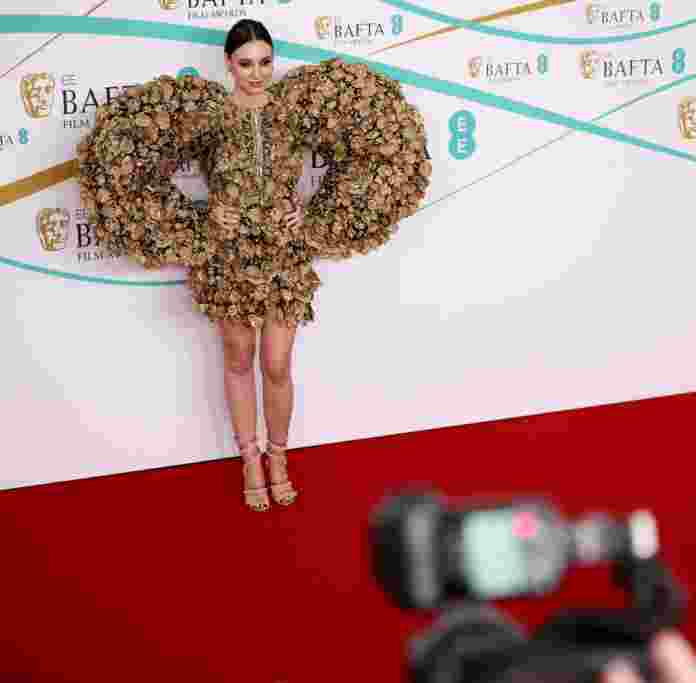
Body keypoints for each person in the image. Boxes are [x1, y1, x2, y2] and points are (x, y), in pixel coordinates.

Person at [76, 19, 432, 511]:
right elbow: (140, 159)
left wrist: (310, 214)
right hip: (227, 254)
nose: (258, 73)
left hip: (284, 252)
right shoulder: (212, 114)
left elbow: (362, 155)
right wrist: (201, 217)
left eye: (265, 62)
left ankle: (279, 455)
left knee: (277, 362)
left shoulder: (292, 111)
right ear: (229, 64)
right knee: (239, 357)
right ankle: (249, 458)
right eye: (246, 63)